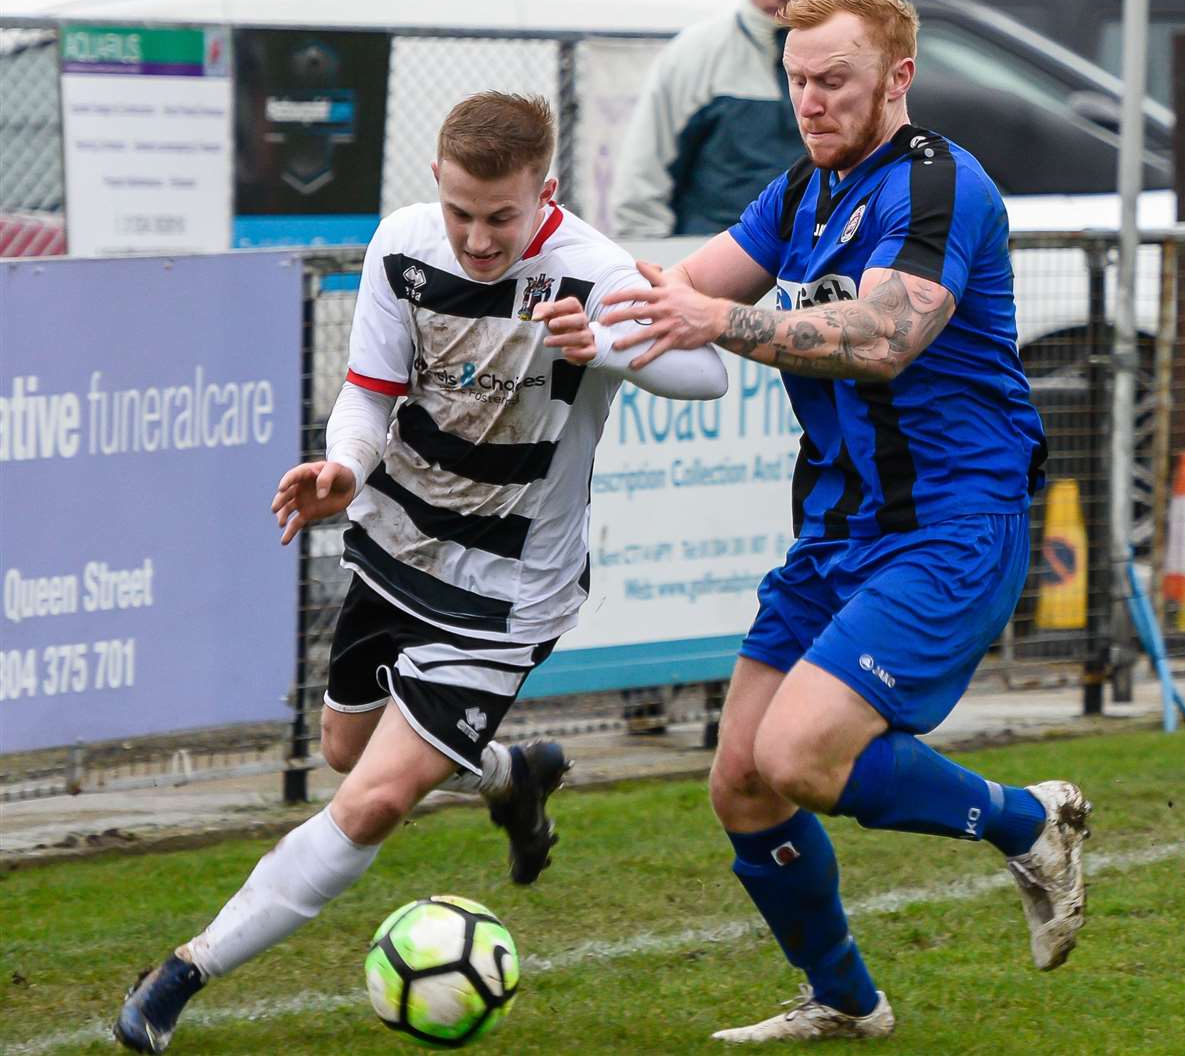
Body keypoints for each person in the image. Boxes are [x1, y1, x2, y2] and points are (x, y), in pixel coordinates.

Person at [113, 91, 728, 1055]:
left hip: (505, 594)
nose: (478, 240)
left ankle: (181, 974)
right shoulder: (402, 245)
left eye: (501, 217)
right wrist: (344, 468)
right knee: (345, 753)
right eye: (460, 213)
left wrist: (605, 344)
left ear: (546, 195)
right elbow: (368, 394)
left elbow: (708, 375)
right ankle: (506, 775)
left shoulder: (591, 271)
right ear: (436, 188)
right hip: (394, 546)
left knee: (372, 801)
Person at [544, 0, 1090, 1043]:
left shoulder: (940, 185)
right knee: (744, 784)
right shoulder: (798, 194)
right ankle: (845, 1000)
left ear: (898, 78)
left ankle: (1032, 822)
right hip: (839, 529)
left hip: (949, 523)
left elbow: (886, 335)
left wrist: (721, 317)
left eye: (834, 80)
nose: (811, 101)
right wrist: (566, 286)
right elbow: (678, 291)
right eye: (796, 81)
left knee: (800, 757)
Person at [611, 0, 822, 238]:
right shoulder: (694, 53)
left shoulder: (857, 57)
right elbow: (643, 175)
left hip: (822, 255)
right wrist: (657, 261)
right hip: (711, 254)